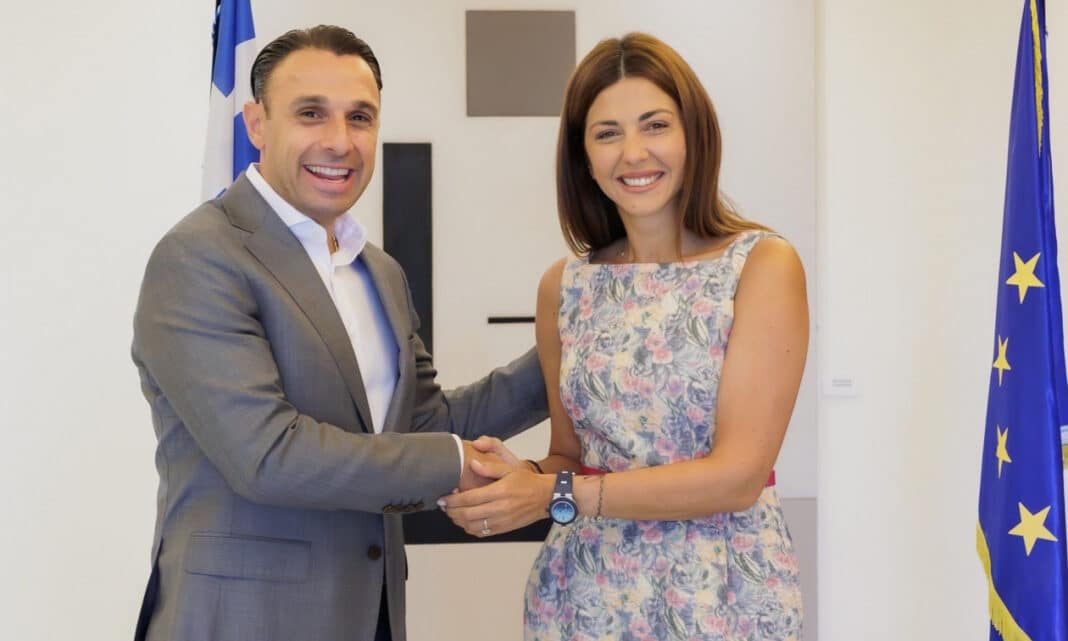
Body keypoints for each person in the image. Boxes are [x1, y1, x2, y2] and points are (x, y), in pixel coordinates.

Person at [131, 25, 547, 641]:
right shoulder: (199, 257)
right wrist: (454, 462)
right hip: (242, 623)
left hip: (369, 616)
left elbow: (422, 426)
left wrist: (571, 352)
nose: (339, 141)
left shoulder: (378, 271)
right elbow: (268, 456)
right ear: (255, 124)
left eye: (359, 117)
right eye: (310, 114)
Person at [440, 32, 808, 640]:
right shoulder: (565, 286)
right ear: (584, 157)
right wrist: (516, 477)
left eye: (655, 125)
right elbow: (570, 455)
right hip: (585, 593)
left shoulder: (761, 266)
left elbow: (738, 476)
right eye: (607, 133)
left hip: (722, 592)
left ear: (693, 135)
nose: (634, 153)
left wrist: (556, 492)